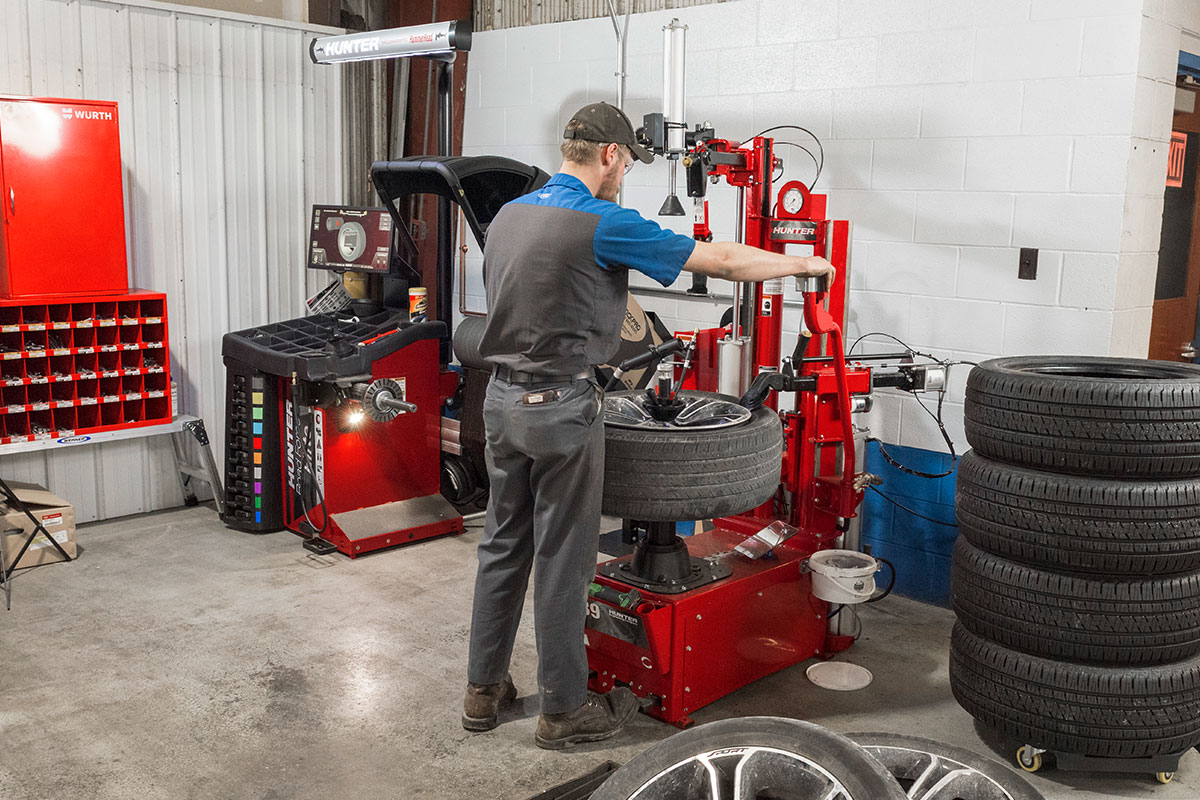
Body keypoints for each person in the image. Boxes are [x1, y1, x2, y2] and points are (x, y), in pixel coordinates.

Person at [463, 101, 836, 749]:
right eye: (627, 163)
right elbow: (719, 260)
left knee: (502, 548)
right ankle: (563, 709)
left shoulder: (508, 217)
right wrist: (803, 266)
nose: (625, 175)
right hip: (559, 411)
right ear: (609, 154)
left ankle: (482, 691)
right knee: (562, 560)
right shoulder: (601, 222)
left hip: (499, 403)